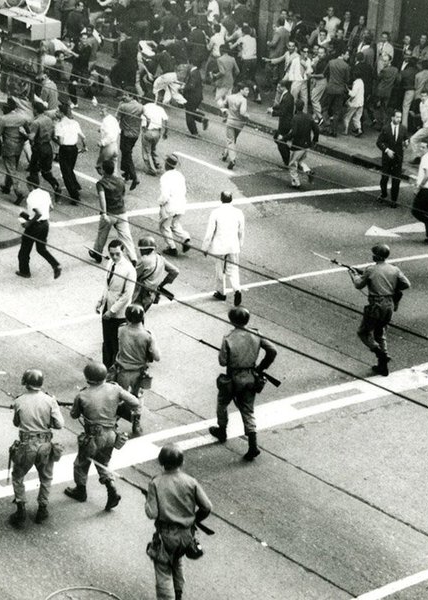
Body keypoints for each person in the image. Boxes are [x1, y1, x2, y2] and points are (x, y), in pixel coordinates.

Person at [64, 361, 142, 510]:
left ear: (87, 378)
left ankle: (80, 491)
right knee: (103, 462)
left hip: (93, 437)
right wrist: (118, 408)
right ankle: (111, 487)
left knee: (81, 464)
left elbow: (74, 415)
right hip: (112, 434)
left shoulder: (82, 395)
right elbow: (135, 402)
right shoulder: (115, 388)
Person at [208, 307, 277, 461]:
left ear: (232, 320)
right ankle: (253, 445)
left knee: (222, 404)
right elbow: (272, 351)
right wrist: (260, 368)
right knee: (247, 411)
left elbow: (222, 361)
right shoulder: (256, 334)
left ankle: (222, 430)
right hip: (250, 377)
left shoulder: (229, 338)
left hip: (233, 378)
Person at [145, 444, 213, 600]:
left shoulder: (155, 482)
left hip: (167, 535)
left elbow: (151, 512)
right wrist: (195, 519)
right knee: (177, 560)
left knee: (163, 569)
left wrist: (148, 500)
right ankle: (178, 594)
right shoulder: (191, 481)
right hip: (187, 535)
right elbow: (207, 506)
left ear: (161, 462)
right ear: (181, 462)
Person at [7, 368, 64, 526]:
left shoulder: (19, 401)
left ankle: (20, 509)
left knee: (18, 476)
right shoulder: (50, 401)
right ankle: (42, 509)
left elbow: (16, 423)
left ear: (25, 382)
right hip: (45, 445)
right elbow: (59, 424)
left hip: (26, 445)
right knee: (45, 477)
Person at [350, 244, 411, 376]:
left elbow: (358, 284)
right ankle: (382, 366)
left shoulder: (371, 269)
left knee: (364, 332)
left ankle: (379, 352)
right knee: (380, 333)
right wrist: (392, 288)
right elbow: (406, 284)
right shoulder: (394, 269)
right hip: (389, 305)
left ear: (376, 255)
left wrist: (354, 274)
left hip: (376, 305)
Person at [98, 239, 137, 368]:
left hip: (118, 314)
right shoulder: (110, 263)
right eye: (111, 254)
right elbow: (107, 285)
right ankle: (105, 368)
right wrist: (101, 300)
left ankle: (114, 371)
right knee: (106, 342)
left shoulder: (129, 270)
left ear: (123, 251)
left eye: (117, 254)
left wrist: (112, 311)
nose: (114, 257)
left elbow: (127, 295)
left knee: (116, 344)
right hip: (107, 308)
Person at [202, 191, 245, 305]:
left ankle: (221, 292)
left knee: (220, 270)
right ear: (231, 199)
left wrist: (205, 247)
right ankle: (237, 289)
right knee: (233, 269)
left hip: (219, 246)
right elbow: (241, 231)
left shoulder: (215, 213)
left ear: (221, 199)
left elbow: (209, 232)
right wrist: (239, 244)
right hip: (233, 246)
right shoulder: (238, 212)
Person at [90, 160, 137, 264]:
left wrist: (104, 213)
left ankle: (97, 253)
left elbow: (102, 199)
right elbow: (123, 194)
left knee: (102, 234)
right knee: (126, 236)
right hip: (122, 212)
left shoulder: (101, 183)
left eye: (101, 168)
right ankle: (133, 258)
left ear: (104, 171)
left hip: (110, 214)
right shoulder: (120, 181)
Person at [111, 303, 158, 400]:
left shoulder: (121, 329)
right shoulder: (148, 336)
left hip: (122, 372)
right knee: (136, 400)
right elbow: (157, 357)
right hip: (138, 374)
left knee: (120, 398)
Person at [17, 188, 63, 280]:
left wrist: (29, 223)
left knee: (24, 250)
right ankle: (56, 265)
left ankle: (24, 271)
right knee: (41, 249)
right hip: (45, 224)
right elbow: (51, 208)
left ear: (29, 185)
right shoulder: (45, 193)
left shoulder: (31, 197)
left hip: (34, 226)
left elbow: (38, 213)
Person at [0, 97, 30, 205]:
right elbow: (27, 131)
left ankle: (19, 192)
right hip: (19, 146)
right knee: (11, 167)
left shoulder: (4, 119)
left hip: (8, 146)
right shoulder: (22, 118)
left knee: (11, 169)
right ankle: (6, 186)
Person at [158, 154, 192, 256]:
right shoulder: (180, 175)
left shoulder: (165, 177)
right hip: (181, 204)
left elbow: (165, 195)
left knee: (164, 226)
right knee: (175, 224)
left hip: (170, 206)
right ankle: (185, 237)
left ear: (166, 165)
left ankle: (172, 247)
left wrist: (160, 202)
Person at [135, 237, 180, 312]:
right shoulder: (160, 258)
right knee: (139, 317)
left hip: (139, 295)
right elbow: (175, 271)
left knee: (130, 316)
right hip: (151, 296)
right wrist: (162, 284)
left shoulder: (144, 260)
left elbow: (132, 276)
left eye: (141, 249)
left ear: (145, 250)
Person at [55, 102, 87, 204]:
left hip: (65, 149)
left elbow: (60, 141)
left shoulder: (59, 125)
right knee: (70, 168)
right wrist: (84, 146)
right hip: (74, 148)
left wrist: (53, 138)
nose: (56, 112)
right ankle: (76, 185)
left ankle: (74, 195)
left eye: (57, 111)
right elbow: (83, 137)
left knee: (65, 172)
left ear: (61, 113)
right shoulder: (75, 123)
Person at [284, 98, 319, 188]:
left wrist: (284, 138)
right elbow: (316, 129)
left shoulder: (295, 118)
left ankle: (296, 182)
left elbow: (293, 132)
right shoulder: (309, 117)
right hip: (307, 144)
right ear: (303, 107)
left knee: (292, 163)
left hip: (298, 145)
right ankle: (308, 171)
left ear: (296, 107)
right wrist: (315, 140)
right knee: (300, 161)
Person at [377, 109, 406, 207]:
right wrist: (387, 150)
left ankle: (394, 199)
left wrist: (406, 143)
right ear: (392, 117)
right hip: (387, 158)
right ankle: (383, 194)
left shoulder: (403, 129)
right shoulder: (386, 128)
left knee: (396, 180)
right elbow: (379, 142)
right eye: (397, 117)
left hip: (398, 158)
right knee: (384, 178)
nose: (399, 119)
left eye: (400, 117)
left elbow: (406, 139)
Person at [116, 91, 144, 189]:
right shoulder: (140, 106)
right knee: (126, 152)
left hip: (126, 133)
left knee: (127, 155)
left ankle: (134, 177)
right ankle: (127, 173)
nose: (124, 96)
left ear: (131, 96)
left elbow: (117, 118)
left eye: (126, 95)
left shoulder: (123, 106)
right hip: (135, 134)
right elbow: (147, 118)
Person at [221, 83, 249, 170]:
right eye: (246, 90)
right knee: (233, 139)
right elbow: (242, 112)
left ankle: (231, 159)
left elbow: (223, 106)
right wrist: (248, 115)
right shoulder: (243, 100)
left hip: (230, 121)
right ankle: (227, 155)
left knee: (230, 140)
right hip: (239, 123)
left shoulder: (230, 97)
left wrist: (226, 112)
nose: (248, 92)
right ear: (241, 90)